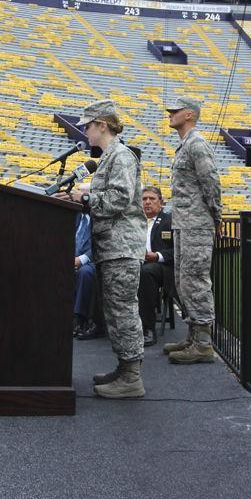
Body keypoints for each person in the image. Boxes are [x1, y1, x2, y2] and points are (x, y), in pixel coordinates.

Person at [60, 99, 146, 398]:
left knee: (123, 311)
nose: (84, 131)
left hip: (121, 246)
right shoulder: (109, 156)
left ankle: (132, 377)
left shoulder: (120, 156)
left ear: (103, 125)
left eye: (88, 126)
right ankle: (124, 368)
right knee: (114, 311)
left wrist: (82, 199)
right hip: (111, 247)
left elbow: (119, 200)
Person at [164, 96, 221, 364]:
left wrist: (215, 216)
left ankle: (203, 344)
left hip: (196, 224)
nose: (170, 114)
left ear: (189, 115)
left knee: (196, 281)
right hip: (184, 222)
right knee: (183, 280)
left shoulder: (197, 144)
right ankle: (192, 335)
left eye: (174, 111)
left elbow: (210, 181)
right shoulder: (186, 145)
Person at [138, 186, 174, 346]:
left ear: (161, 202)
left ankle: (148, 329)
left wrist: (157, 256)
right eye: (144, 199)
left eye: (152, 199)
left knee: (146, 272)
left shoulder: (169, 221)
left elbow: (178, 250)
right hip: (133, 262)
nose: (147, 202)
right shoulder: (133, 221)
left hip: (159, 266)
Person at [73, 210, 97, 337]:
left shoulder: (101, 218)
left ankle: (79, 318)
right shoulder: (73, 215)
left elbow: (101, 244)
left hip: (92, 260)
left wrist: (81, 260)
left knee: (85, 272)